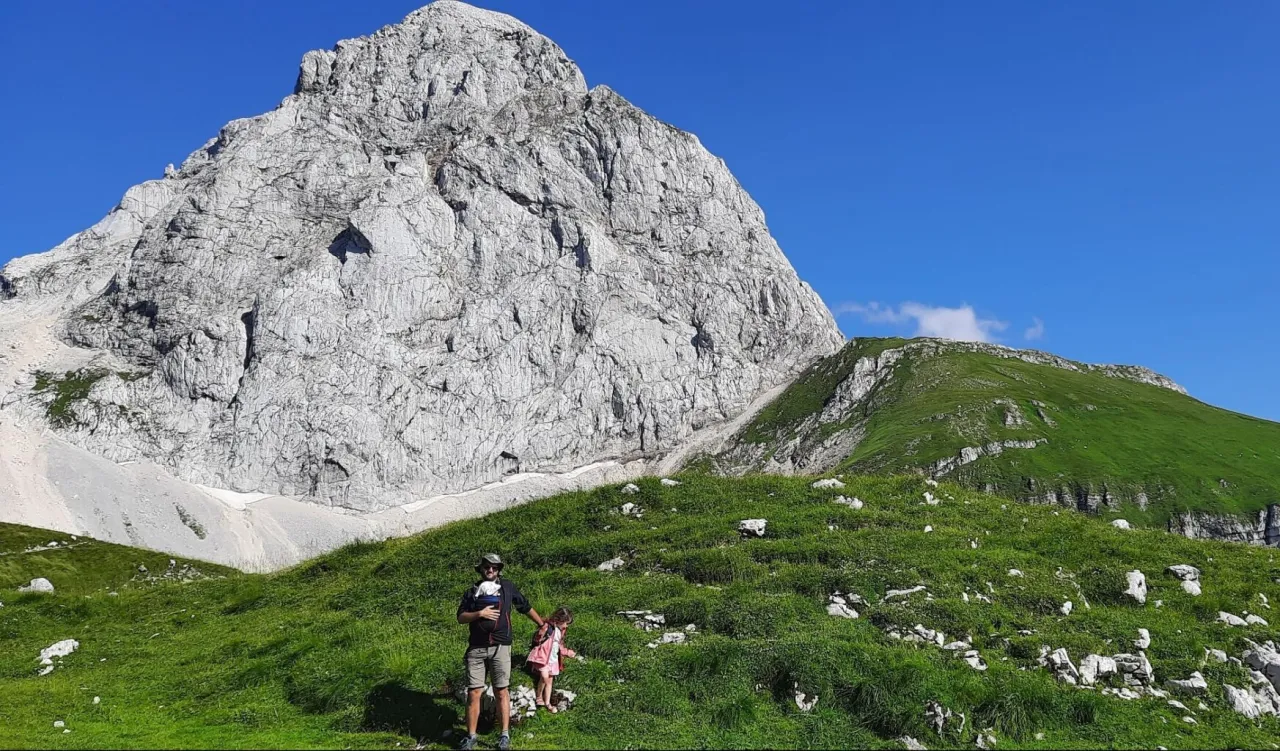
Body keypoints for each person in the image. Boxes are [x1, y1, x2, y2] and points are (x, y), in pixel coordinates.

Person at [456, 553, 544, 751]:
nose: (490, 570)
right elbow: (461, 617)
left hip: (501, 647)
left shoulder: (507, 587)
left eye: (494, 567)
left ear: (499, 570)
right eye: (487, 567)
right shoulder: (472, 591)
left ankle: (504, 736)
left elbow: (524, 606)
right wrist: (480, 614)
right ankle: (471, 736)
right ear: (481, 569)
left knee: (501, 691)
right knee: (474, 692)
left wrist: (541, 624)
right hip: (476, 648)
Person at [527, 607, 576, 712]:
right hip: (543, 659)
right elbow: (538, 639)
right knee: (544, 677)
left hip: (552, 661)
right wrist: (541, 633)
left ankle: (548, 703)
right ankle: (539, 697)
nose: (566, 626)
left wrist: (567, 652)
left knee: (549, 681)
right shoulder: (548, 628)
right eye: (566, 623)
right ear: (560, 620)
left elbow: (559, 647)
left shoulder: (560, 632)